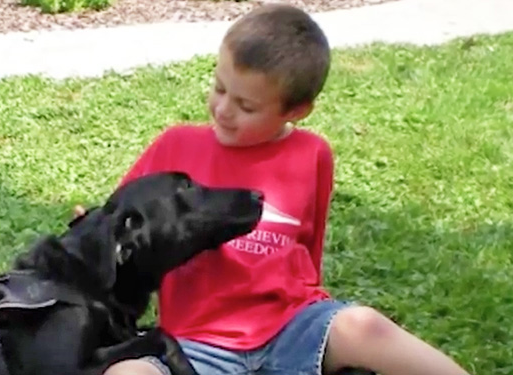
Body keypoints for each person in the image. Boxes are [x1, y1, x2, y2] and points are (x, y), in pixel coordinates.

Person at [79, 4, 470, 375]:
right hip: (196, 342)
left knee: (365, 326)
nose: (223, 110)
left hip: (291, 326)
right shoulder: (175, 145)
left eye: (246, 106)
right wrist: (89, 230)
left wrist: (319, 312)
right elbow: (120, 221)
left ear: (295, 111)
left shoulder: (311, 153)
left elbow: (307, 246)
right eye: (219, 88)